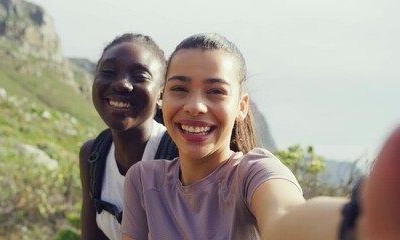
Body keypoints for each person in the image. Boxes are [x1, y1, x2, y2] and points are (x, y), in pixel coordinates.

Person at [121, 33, 400, 240]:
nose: (195, 106)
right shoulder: (144, 181)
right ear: (162, 98)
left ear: (241, 107)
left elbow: (285, 219)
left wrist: (362, 222)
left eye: (215, 91)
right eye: (179, 88)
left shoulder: (253, 173)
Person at [79, 33, 178, 240]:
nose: (122, 84)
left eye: (140, 76)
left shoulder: (178, 159)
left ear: (162, 94)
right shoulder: (94, 156)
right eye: (108, 71)